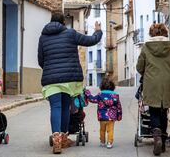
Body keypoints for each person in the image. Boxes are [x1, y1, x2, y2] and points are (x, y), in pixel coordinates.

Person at [38, 11, 102, 154]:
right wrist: (98, 31)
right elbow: (90, 40)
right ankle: (64, 136)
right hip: (69, 78)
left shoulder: (43, 37)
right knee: (66, 106)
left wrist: (50, 69)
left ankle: (56, 138)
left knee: (55, 107)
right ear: (63, 23)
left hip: (51, 79)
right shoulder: (70, 33)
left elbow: (41, 60)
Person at [136, 23, 170, 156]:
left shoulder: (146, 48)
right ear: (165, 33)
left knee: (154, 111)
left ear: (152, 34)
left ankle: (156, 136)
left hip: (151, 84)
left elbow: (139, 68)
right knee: (164, 112)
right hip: (167, 84)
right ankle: (162, 139)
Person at [84, 78, 122, 149]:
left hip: (102, 117)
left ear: (101, 87)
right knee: (110, 130)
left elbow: (93, 99)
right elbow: (119, 106)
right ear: (113, 87)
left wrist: (88, 94)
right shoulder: (115, 96)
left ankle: (102, 141)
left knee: (102, 129)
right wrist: (119, 116)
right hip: (111, 117)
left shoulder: (100, 95)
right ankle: (109, 143)